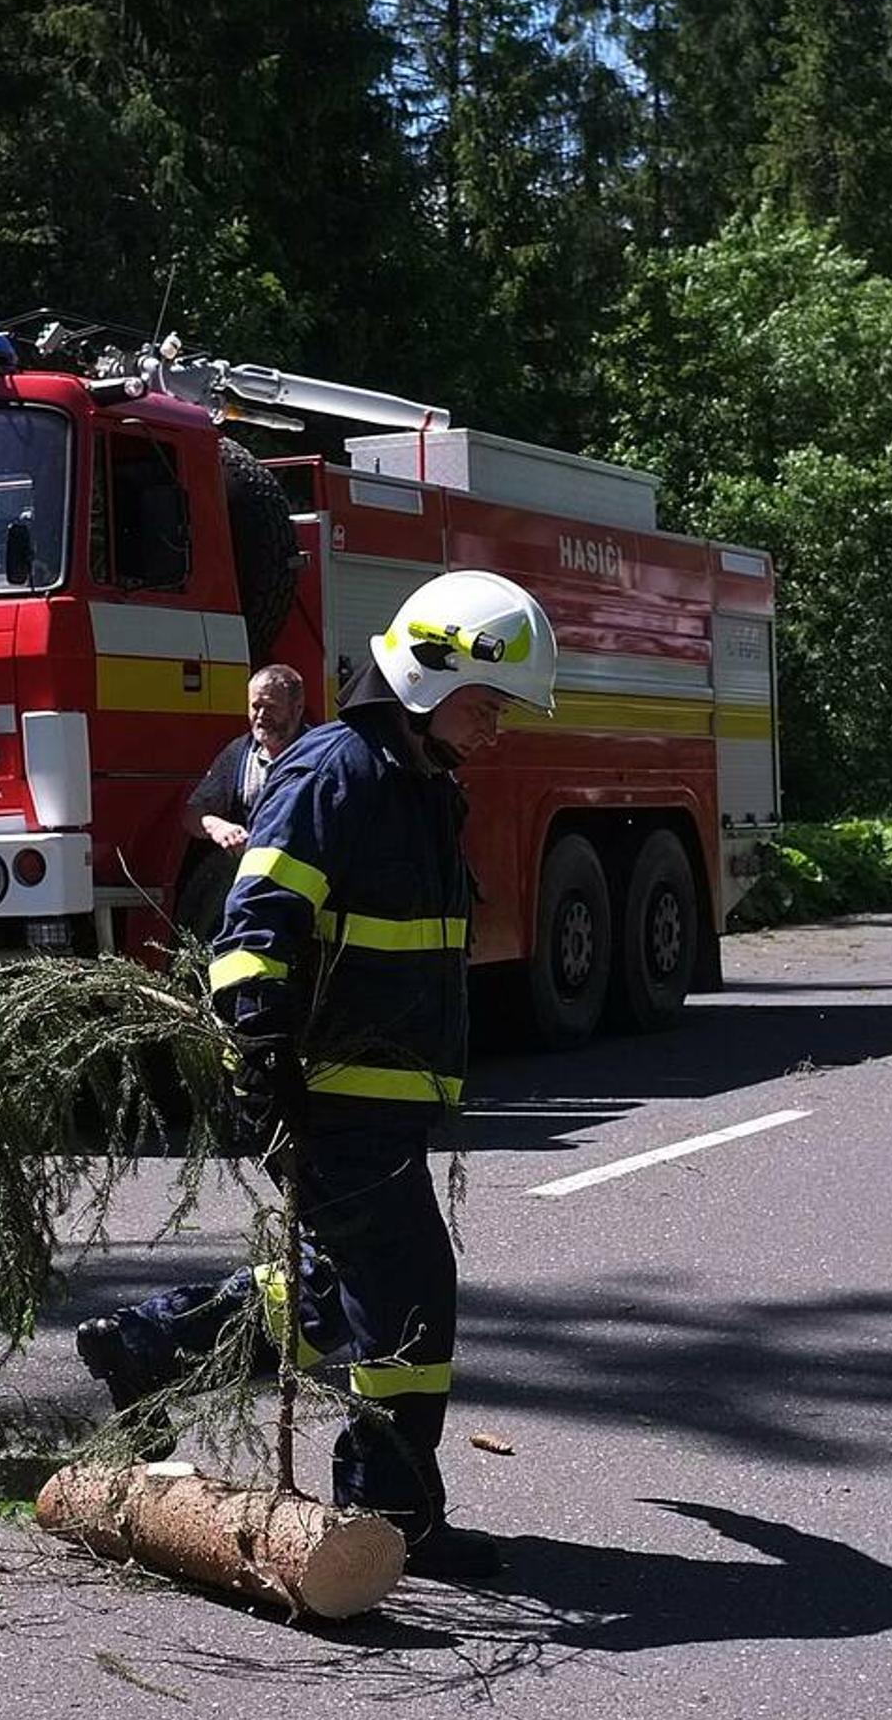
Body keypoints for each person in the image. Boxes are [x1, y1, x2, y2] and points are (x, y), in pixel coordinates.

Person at [78, 569, 558, 1582]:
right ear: (427, 677)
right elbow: (256, 932)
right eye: (488, 705)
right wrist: (261, 1060)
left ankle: (151, 1346)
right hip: (328, 1096)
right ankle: (387, 1509)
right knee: (410, 1299)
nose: (498, 731)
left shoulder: (420, 785)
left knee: (344, 1293)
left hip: (377, 1100)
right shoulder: (331, 775)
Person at [175, 665, 307, 939]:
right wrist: (217, 827)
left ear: (297, 708)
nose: (260, 716)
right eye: (255, 706)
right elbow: (192, 813)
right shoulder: (239, 754)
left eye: (270, 707)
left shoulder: (323, 754)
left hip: (304, 892)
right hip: (247, 890)